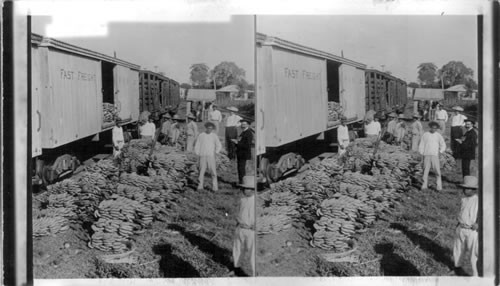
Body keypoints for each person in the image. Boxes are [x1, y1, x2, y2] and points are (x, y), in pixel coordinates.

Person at [452, 176, 479, 276]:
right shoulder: (463, 199)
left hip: (472, 230)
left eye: (467, 188)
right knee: (458, 248)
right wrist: (458, 224)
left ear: (473, 190)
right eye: (464, 188)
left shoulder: (478, 200)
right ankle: (457, 267)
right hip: (461, 227)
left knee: (474, 253)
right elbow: (462, 212)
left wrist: (478, 223)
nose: (464, 190)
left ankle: (475, 275)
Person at [231, 175, 255, 277]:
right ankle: (236, 268)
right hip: (240, 228)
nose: (246, 191)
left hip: (251, 230)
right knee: (237, 249)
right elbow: (240, 213)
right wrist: (237, 224)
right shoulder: (242, 200)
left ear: (253, 189)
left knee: (252, 253)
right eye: (244, 188)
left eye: (249, 188)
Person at [418, 121, 446, 191]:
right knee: (425, 171)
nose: (434, 129)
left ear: (437, 129)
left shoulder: (438, 135)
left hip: (435, 155)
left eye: (435, 128)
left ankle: (438, 187)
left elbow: (443, 144)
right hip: (426, 154)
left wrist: (440, 152)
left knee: (437, 171)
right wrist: (421, 153)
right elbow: (421, 144)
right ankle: (424, 186)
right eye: (433, 128)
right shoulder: (425, 135)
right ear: (430, 128)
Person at [194, 122, 222, 191]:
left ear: (212, 129)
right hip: (202, 155)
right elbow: (197, 145)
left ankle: (214, 187)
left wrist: (216, 152)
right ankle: (200, 186)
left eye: (211, 128)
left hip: (211, 156)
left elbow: (219, 145)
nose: (209, 130)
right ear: (206, 128)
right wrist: (198, 153)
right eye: (208, 128)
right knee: (201, 172)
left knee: (213, 172)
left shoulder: (214, 136)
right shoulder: (201, 135)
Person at [233, 119, 253, 184]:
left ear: (248, 125)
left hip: (244, 153)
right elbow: (241, 141)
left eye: (244, 124)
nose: (243, 125)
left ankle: (243, 183)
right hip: (240, 153)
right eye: (242, 124)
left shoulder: (248, 133)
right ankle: (241, 181)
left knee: (242, 169)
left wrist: (237, 143)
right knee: (240, 168)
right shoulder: (243, 132)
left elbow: (247, 145)